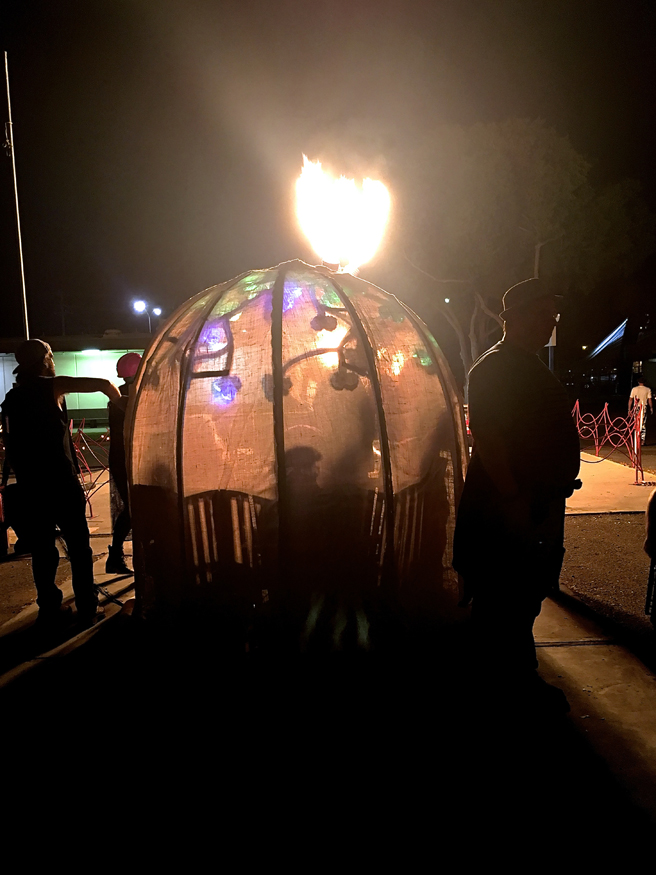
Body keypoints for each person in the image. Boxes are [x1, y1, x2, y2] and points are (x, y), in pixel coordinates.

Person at [453, 278, 581, 709]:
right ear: (514, 318)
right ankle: (507, 686)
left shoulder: (525, 364)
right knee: (504, 594)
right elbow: (488, 438)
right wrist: (513, 500)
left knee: (524, 593)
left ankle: (513, 678)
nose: (550, 323)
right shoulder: (495, 367)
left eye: (553, 315)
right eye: (542, 314)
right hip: (510, 505)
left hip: (534, 500)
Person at [0, 339, 122, 627]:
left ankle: (50, 608)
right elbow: (104, 384)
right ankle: (87, 605)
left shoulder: (11, 398)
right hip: (60, 483)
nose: (53, 361)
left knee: (43, 551)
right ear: (44, 360)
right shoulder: (53, 386)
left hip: (31, 487)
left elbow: (10, 443)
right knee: (79, 547)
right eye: (51, 356)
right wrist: (121, 405)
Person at [105, 352, 141, 574]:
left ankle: (117, 555)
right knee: (135, 508)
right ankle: (117, 556)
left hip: (120, 458)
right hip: (130, 459)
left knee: (132, 508)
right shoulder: (137, 393)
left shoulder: (118, 394)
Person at [629, 375, 652, 446]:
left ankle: (636, 438)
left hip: (636, 408)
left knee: (636, 423)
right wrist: (651, 407)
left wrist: (629, 409)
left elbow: (630, 399)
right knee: (643, 424)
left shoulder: (634, 389)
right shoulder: (647, 389)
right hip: (643, 407)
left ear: (638, 382)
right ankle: (642, 440)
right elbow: (649, 400)